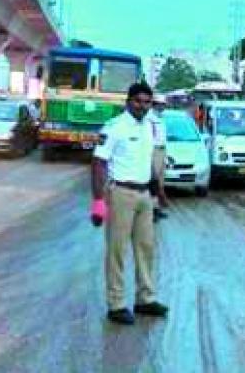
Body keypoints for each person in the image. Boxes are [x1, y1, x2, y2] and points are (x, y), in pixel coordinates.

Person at [90, 82, 169, 325]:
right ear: (128, 101)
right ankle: (116, 304)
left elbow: (147, 162)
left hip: (144, 195)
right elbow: (98, 163)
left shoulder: (149, 127)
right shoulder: (114, 127)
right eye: (138, 101)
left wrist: (159, 191)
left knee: (146, 248)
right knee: (117, 250)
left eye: (147, 102)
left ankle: (145, 299)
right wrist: (98, 203)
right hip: (121, 193)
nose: (143, 106)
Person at [148, 94, 169, 221]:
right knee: (153, 181)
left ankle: (156, 208)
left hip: (162, 150)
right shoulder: (150, 119)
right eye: (161, 104)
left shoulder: (161, 118)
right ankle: (151, 211)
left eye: (164, 104)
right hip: (153, 151)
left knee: (160, 182)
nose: (163, 106)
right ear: (155, 104)